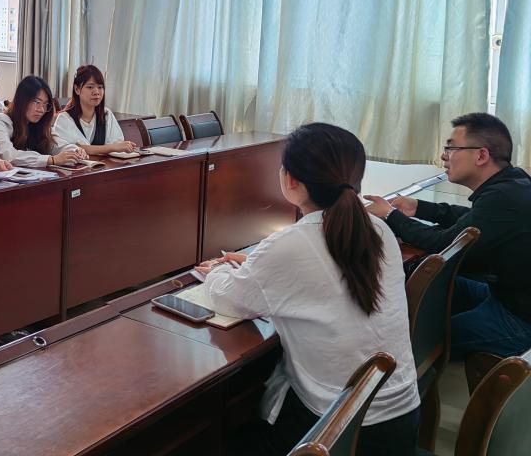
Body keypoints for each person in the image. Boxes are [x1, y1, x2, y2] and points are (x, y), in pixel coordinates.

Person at [198, 123, 419, 456]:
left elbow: (227, 300)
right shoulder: (379, 231)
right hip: (401, 423)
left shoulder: (290, 245)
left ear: (290, 181)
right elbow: (320, 272)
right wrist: (261, 265)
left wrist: (218, 270)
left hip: (332, 434)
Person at [366, 112, 531, 359]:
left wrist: (390, 215)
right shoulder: (514, 183)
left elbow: (444, 244)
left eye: (451, 148)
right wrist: (418, 207)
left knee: (412, 342)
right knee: (422, 286)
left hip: (518, 321)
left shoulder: (503, 197)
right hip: (503, 297)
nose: (444, 156)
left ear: (481, 155)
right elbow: (472, 218)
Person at [0, 75, 86, 168]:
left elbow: (56, 145)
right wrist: (51, 160)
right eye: (37, 102)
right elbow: (9, 155)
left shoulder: (38, 125)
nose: (41, 109)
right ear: (22, 100)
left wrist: (75, 150)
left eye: (45, 104)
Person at [52, 64, 138, 155]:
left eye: (100, 87)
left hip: (105, 164)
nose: (96, 92)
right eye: (90, 87)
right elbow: (71, 149)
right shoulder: (64, 119)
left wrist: (119, 147)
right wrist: (111, 148)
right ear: (77, 89)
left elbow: (118, 144)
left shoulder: (106, 114)